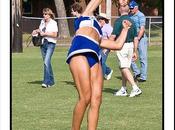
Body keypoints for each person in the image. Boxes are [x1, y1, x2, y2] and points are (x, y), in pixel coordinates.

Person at [67, 0, 132, 129]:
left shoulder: (100, 35)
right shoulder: (84, 16)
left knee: (96, 100)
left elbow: (117, 45)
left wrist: (125, 30)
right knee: (85, 97)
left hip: (95, 55)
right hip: (80, 49)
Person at [111, 4, 142, 97]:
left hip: (122, 46)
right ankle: (123, 89)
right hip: (131, 46)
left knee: (123, 67)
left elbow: (113, 36)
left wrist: (107, 47)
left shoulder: (119, 21)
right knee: (125, 68)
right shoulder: (132, 21)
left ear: (120, 10)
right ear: (128, 11)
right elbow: (136, 38)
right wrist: (135, 51)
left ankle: (135, 88)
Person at [32, 8, 58, 88]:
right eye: (43, 14)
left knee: (46, 62)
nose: (44, 16)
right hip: (43, 44)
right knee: (47, 63)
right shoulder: (42, 21)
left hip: (50, 43)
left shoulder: (53, 23)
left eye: (46, 14)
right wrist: (36, 31)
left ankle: (46, 82)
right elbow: (40, 30)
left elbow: (55, 35)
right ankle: (52, 81)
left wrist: (45, 34)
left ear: (49, 14)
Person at [129, 0, 148, 82]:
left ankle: (143, 77)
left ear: (136, 7)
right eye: (130, 8)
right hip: (133, 38)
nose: (131, 9)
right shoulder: (130, 15)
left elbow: (142, 29)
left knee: (142, 58)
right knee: (130, 56)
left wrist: (138, 38)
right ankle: (137, 72)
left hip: (141, 38)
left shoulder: (141, 15)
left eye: (132, 8)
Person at [98, 13, 113, 80]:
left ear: (104, 20)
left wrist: (106, 48)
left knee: (102, 61)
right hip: (99, 47)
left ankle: (101, 76)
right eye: (99, 19)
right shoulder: (98, 27)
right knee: (98, 60)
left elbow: (111, 38)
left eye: (100, 19)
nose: (99, 20)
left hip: (106, 47)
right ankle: (108, 71)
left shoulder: (108, 27)